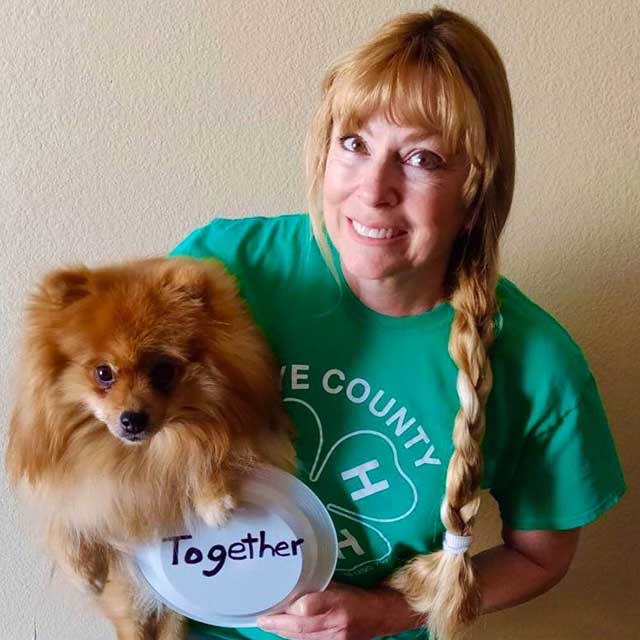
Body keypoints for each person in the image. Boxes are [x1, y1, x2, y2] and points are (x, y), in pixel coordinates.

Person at [170, 7, 626, 640]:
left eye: (423, 160)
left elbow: (540, 556)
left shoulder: (538, 364)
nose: (374, 189)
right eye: (354, 144)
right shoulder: (222, 270)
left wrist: (389, 612)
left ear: (476, 189)